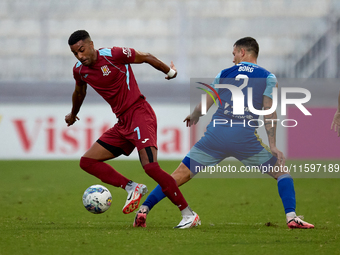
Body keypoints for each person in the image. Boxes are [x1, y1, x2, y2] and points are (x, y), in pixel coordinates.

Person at [134, 37, 314, 229]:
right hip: (244, 139)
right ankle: (292, 217)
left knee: (178, 175)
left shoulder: (224, 73)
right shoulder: (268, 77)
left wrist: (194, 115)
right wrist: (273, 145)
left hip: (215, 137)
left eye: (234, 53)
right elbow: (269, 111)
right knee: (281, 172)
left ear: (242, 52)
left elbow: (205, 103)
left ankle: (144, 209)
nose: (233, 58)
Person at [65, 30, 200, 229]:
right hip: (123, 123)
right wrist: (72, 114)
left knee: (151, 167)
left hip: (139, 113)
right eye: (75, 53)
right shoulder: (79, 70)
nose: (80, 56)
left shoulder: (114, 55)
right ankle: (132, 187)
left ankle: (188, 214)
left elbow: (145, 57)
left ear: (91, 45)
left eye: (82, 50)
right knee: (87, 161)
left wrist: (170, 72)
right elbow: (79, 92)